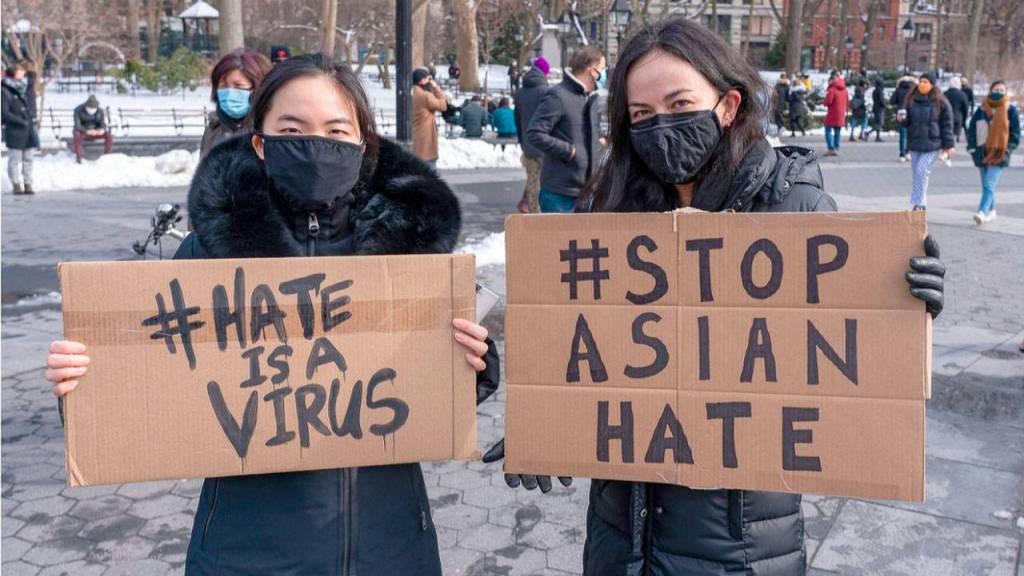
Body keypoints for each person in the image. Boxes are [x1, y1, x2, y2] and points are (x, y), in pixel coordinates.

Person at [485, 17, 945, 576]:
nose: (661, 126)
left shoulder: (793, 208)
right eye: (642, 115)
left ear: (727, 105)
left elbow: (840, 361)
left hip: (741, 546)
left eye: (680, 105)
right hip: (622, 537)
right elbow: (582, 348)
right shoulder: (611, 210)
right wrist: (546, 422)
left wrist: (901, 306)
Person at [44, 53, 499, 576]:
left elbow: (437, 391)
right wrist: (86, 382)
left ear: (362, 146)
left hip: (390, 546)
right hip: (246, 551)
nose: (315, 145)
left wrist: (472, 361)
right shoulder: (209, 255)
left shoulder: (408, 254)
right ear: (260, 142)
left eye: (335, 130)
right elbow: (150, 385)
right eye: (292, 130)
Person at [526, 45, 606, 212]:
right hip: (560, 193)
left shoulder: (590, 98)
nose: (605, 74)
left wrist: (601, 142)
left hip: (588, 191)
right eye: (603, 68)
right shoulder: (558, 95)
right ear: (593, 71)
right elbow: (535, 133)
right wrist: (568, 151)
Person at [201, 48, 272, 158]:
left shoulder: (270, 131)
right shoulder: (213, 129)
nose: (230, 92)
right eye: (223, 86)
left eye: (238, 86)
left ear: (257, 88)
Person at [966, 80, 1020, 224]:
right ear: (990, 90)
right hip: (982, 151)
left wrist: (1009, 148)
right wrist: (972, 147)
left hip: (1000, 152)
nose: (999, 92)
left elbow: (1015, 133)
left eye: (1002, 90)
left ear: (1006, 92)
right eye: (996, 89)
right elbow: (972, 129)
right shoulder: (982, 109)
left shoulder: (1010, 110)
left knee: (989, 184)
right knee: (986, 185)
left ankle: (981, 211)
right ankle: (992, 211)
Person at [901, 72, 955, 210]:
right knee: (916, 174)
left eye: (926, 82)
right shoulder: (911, 99)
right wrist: (901, 119)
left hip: (932, 143)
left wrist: (949, 145)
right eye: (921, 81)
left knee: (922, 171)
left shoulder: (940, 101)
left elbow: (947, 124)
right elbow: (907, 122)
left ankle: (920, 203)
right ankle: (918, 203)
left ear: (932, 85)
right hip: (915, 142)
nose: (922, 84)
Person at [514, 57, 550, 213]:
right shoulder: (545, 92)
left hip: (528, 143)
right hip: (544, 143)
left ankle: (528, 205)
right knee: (541, 181)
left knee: (532, 178)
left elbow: (517, 120)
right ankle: (535, 213)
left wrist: (522, 142)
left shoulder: (520, 93)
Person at [2, 60, 39, 195]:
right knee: (15, 159)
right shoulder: (5, 90)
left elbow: (31, 104)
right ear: (14, 74)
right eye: (20, 72)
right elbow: (5, 112)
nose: (24, 74)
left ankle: (28, 183)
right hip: (15, 129)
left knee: (29, 158)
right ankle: (16, 184)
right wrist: (19, 121)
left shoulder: (25, 88)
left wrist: (32, 118)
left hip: (28, 128)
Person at [412, 67, 447, 170]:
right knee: (430, 170)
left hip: (414, 137)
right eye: (428, 79)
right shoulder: (425, 96)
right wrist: (436, 88)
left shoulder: (411, 93)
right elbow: (443, 106)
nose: (429, 81)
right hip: (426, 139)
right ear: (422, 80)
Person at [71, 94, 114, 163]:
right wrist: (86, 131)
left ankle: (107, 156)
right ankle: (79, 158)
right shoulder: (78, 110)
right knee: (77, 135)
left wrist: (101, 130)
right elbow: (77, 125)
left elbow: (102, 123)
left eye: (93, 108)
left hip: (95, 132)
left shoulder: (100, 111)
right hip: (83, 132)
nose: (91, 110)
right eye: (90, 108)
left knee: (108, 135)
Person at [891, 75, 917, 162]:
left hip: (900, 112)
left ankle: (902, 154)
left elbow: (892, 101)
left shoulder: (898, 90)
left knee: (902, 134)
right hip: (911, 112)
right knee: (910, 134)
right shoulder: (913, 90)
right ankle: (908, 152)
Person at [823, 72, 848, 156]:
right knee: (837, 131)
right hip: (841, 114)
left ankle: (831, 148)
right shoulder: (845, 89)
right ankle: (836, 148)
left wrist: (824, 101)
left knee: (828, 129)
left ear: (831, 81)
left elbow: (828, 101)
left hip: (832, 113)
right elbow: (847, 101)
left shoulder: (832, 89)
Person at [944, 76, 970, 143]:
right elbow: (965, 108)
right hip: (958, 117)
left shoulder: (945, 94)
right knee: (955, 136)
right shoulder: (962, 95)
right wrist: (965, 117)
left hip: (946, 117)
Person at [866, 76, 886, 142]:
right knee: (880, 123)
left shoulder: (875, 90)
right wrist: (885, 105)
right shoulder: (879, 91)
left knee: (878, 123)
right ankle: (868, 133)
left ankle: (877, 137)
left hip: (875, 108)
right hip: (879, 109)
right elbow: (881, 100)